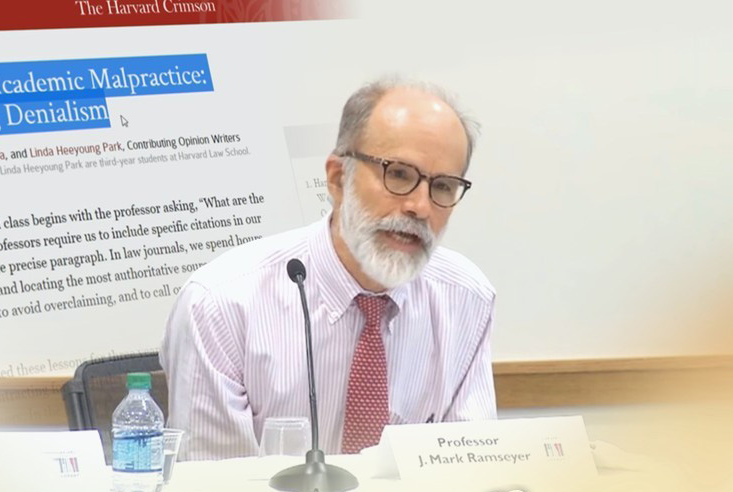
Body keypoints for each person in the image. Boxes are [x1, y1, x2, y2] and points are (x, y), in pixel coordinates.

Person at [161, 78, 497, 460]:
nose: (420, 207)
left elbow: (470, 467)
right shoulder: (221, 306)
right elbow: (218, 481)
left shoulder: (466, 298)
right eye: (399, 175)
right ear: (338, 178)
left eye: (443, 186)